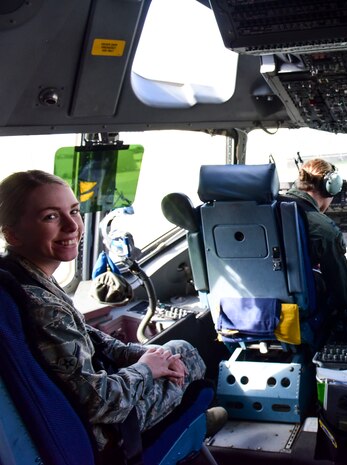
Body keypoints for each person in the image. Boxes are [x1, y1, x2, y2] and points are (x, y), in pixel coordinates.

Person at [0, 170, 227, 455]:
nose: (72, 226)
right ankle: (192, 423)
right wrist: (146, 369)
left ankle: (187, 414)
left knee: (169, 353)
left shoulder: (17, 278)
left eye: (74, 211)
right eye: (50, 216)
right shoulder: (44, 307)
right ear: (13, 234)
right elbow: (98, 401)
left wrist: (138, 355)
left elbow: (88, 335)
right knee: (185, 355)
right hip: (107, 433)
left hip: (89, 407)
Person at [283, 159, 347, 315]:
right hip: (297, 313)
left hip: (252, 310)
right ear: (331, 188)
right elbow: (340, 285)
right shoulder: (323, 228)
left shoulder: (265, 209)